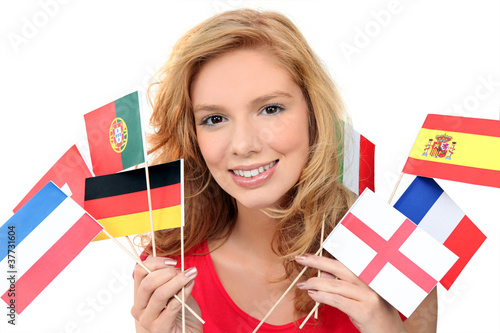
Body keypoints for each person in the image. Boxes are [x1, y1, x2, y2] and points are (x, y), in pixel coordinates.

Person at [131, 8, 437, 333]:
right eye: (214, 119)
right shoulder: (169, 266)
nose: (243, 145)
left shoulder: (396, 253)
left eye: (270, 109)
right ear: (193, 135)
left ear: (313, 115)